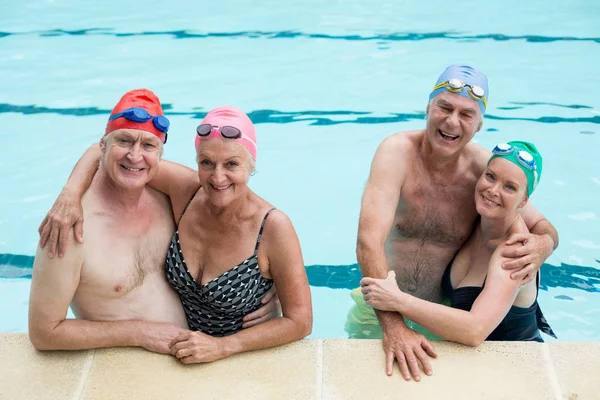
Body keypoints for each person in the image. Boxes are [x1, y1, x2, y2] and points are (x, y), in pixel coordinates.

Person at [37, 104, 313, 363]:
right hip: (178, 355)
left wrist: (223, 346)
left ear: (251, 166)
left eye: (232, 164)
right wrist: (69, 195)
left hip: (240, 359)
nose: (217, 177)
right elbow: (105, 151)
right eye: (207, 163)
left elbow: (301, 321)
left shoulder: (273, 226)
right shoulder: (187, 190)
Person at [354, 64, 559, 381]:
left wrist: (543, 245)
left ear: (478, 126)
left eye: (466, 114)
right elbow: (368, 241)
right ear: (428, 109)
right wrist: (393, 324)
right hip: (381, 305)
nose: (452, 122)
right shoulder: (396, 153)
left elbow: (541, 224)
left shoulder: (485, 172)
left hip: (444, 314)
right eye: (444, 107)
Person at [29, 89, 192, 354]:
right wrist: (139, 333)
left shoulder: (167, 198)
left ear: (160, 155)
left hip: (190, 357)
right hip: (124, 368)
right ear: (102, 146)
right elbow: (44, 333)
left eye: (148, 145)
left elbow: (231, 204)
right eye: (124, 141)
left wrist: (266, 289)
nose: (135, 156)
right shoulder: (70, 225)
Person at [361, 141, 557, 345]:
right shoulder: (478, 221)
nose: (493, 190)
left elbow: (474, 331)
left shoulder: (516, 252)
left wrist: (397, 300)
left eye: (509, 187)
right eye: (490, 177)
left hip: (512, 362)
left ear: (524, 202)